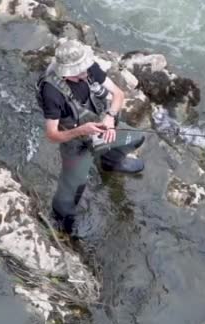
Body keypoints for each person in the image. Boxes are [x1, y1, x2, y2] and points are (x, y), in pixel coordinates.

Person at [36, 39, 145, 235]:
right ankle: (60, 223)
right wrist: (81, 130)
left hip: (101, 125)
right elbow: (52, 135)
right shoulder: (51, 91)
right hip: (74, 142)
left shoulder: (88, 66)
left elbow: (118, 94)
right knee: (72, 190)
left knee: (137, 138)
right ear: (67, 72)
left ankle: (109, 161)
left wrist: (110, 118)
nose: (87, 72)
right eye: (80, 71)